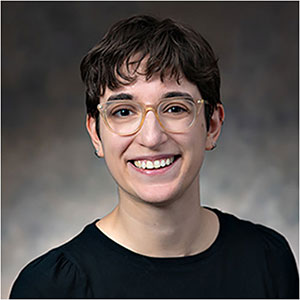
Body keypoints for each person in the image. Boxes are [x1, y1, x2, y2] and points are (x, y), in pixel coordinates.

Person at [10, 15, 298, 299]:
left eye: (174, 108)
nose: (151, 137)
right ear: (96, 134)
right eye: (123, 112)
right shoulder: (48, 288)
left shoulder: (268, 259)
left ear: (212, 125)